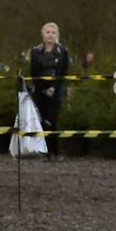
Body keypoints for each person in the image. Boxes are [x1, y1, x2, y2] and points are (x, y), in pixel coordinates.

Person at [29, 22, 70, 161]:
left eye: (53, 32)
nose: (50, 35)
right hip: (40, 91)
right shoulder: (35, 52)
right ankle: (45, 152)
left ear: (57, 35)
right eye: (48, 32)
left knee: (52, 121)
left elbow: (63, 72)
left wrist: (53, 88)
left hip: (55, 91)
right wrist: (43, 89)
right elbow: (34, 72)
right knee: (42, 121)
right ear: (43, 34)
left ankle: (56, 151)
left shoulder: (62, 51)